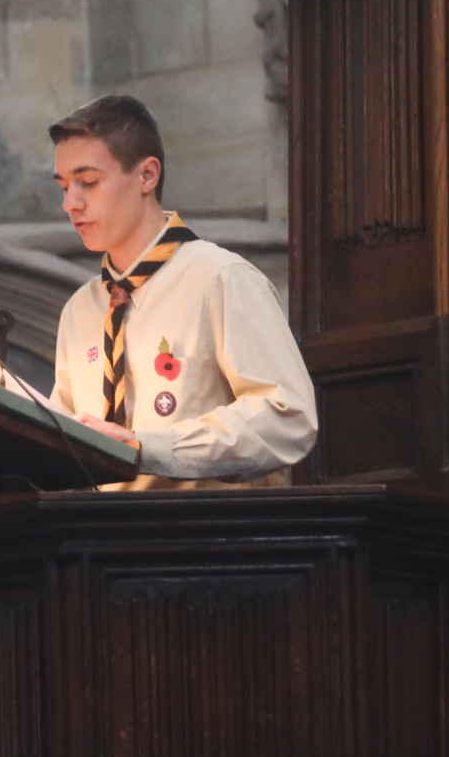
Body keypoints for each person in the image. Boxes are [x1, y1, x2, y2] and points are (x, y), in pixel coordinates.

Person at [48, 94, 317, 488]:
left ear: (147, 176)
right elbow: (65, 441)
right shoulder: (80, 310)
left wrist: (150, 448)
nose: (70, 203)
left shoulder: (220, 278)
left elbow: (286, 418)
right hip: (101, 538)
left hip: (205, 533)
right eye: (63, 186)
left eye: (87, 182)